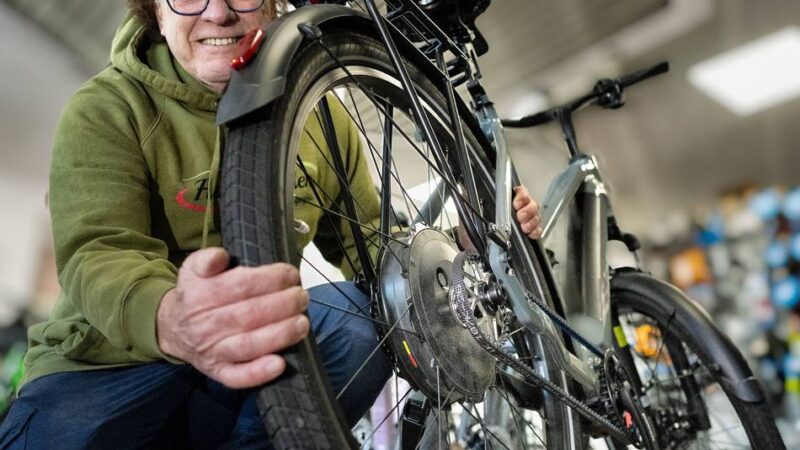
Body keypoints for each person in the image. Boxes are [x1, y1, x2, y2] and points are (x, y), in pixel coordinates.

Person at [0, 0, 544, 448]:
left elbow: (382, 257)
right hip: (106, 369)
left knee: (363, 318)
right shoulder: (106, 107)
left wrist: (462, 248)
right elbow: (98, 252)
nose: (218, 13)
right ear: (155, 14)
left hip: (254, 370)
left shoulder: (324, 117)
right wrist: (174, 317)